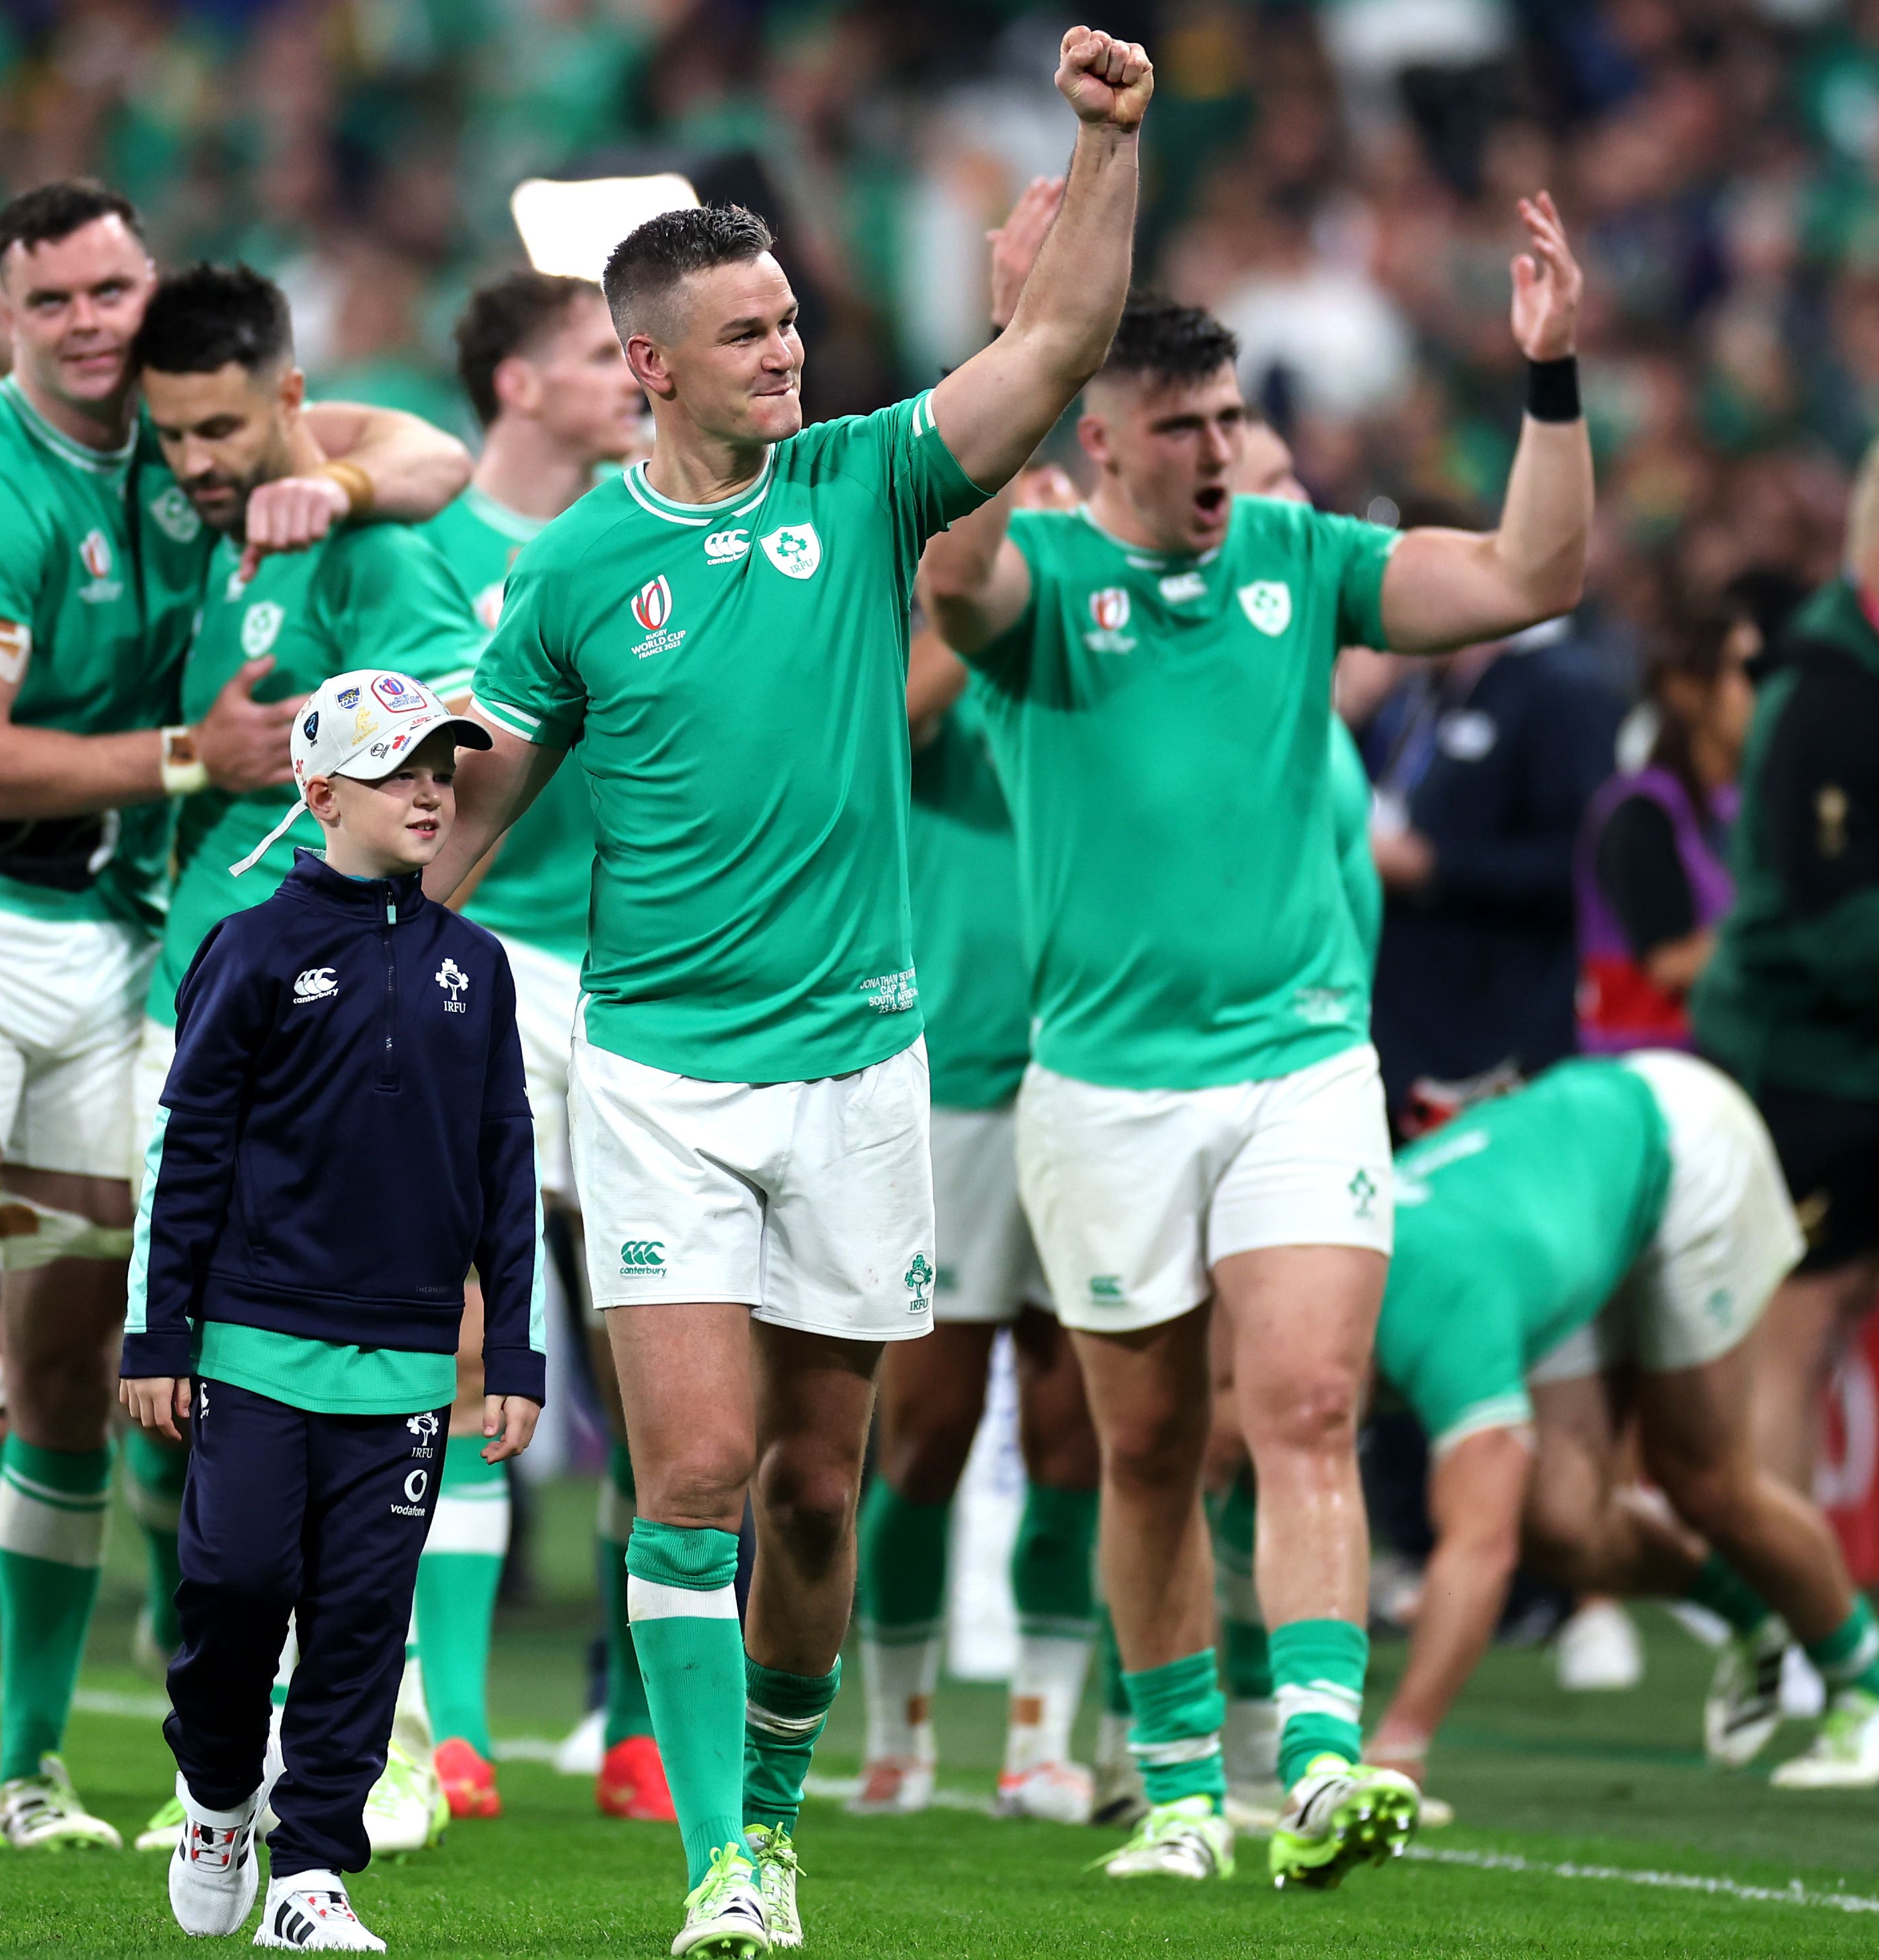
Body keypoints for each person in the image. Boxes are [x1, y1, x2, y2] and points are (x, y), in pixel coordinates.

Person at [425, 29, 1157, 1951]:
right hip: (659, 1073)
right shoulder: (575, 570)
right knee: (688, 1472)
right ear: (647, 365)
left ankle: (768, 1797)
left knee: (816, 1496)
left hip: (856, 1073)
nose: (788, 354)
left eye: (789, 324)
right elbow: (475, 806)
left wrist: (1104, 142)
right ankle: (719, 1873)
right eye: (745, 336)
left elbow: (1056, 350)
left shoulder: (867, 485)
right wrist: (349, 951)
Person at [0, 176, 470, 1849]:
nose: (89, 320)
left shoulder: (197, 436)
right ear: (7, 306)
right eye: (56, 295)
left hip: (121, 934)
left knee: (82, 1369)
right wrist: (186, 760)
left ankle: (23, 1765)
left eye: (113, 289)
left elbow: (424, 459)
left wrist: (335, 482)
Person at [918, 186, 1592, 1886]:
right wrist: (1016, 331)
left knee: (1302, 1402)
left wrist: (1553, 379)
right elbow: (948, 560)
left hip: (1297, 1061)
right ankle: (1172, 1788)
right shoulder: (1045, 581)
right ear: (1102, 443)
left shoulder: (1309, 559)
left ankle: (1313, 1754)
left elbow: (1533, 570)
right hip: (1100, 1088)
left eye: (1233, 418)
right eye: (1183, 426)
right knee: (1145, 1447)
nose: (1221, 451)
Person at [124, 262, 491, 1855]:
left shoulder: (368, 538)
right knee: (193, 1402)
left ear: (289, 397)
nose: (198, 460)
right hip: (180, 1007)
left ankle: (389, 1744)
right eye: (173, 433)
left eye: (222, 425)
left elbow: (442, 773)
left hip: (328, 1035)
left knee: (361, 1413)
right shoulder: (178, 538)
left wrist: (381, 991)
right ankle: (222, 1767)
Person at [126, 671, 543, 1956]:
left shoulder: (478, 964)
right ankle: (213, 1789)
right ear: (319, 795)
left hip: (410, 1359)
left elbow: (504, 1159)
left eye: (442, 766)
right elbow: (190, 1144)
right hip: (253, 1339)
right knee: (233, 1584)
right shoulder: (247, 947)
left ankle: (311, 1869)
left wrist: (513, 1346)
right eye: (398, 768)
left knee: (362, 1620)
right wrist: (161, 1328)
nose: (433, 789)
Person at [846, 181, 1102, 1834]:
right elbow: (927, 676)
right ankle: (896, 1731)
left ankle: (1045, 1735)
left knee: (1079, 1424)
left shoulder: (1107, 605)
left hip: (1084, 1065)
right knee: (923, 1426)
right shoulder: (953, 612)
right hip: (946, 1070)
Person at [1364, 1052, 1879, 1791]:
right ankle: (1753, 1623)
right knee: (1562, 1523)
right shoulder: (1322, 1298)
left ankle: (1863, 1686)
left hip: (1680, 1139)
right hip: (1568, 1194)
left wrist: (1396, 1748)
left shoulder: (1429, 1305)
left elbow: (1480, 1543)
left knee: (1705, 1482)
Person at [427, 268, 665, 1826]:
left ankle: (636, 1723)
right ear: (517, 383)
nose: (629, 376)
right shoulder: (420, 542)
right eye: (597, 355)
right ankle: (455, 1725)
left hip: (643, 971)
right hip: (489, 958)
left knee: (656, 1356)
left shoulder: (653, 537)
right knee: (458, 1338)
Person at [1690, 485, 1879, 1515]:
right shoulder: (1823, 692)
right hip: (1799, 1057)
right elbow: (1825, 913)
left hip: (1855, 1050)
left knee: (1833, 1309)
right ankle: (1789, 1636)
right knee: (1795, 1335)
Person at [1361, 585, 1620, 1134]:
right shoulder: (1436, 683)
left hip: (1499, 1036)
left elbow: (1581, 863)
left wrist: (1434, 868)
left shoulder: (1561, 687)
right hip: (1417, 1031)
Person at [1577, 600, 1758, 1055]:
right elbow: (1667, 961)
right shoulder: (1638, 813)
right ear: (1685, 689)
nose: (1763, 688)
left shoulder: (1741, 804)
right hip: (1653, 1076)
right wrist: (1789, 935)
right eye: (1745, 671)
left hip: (1730, 1066)